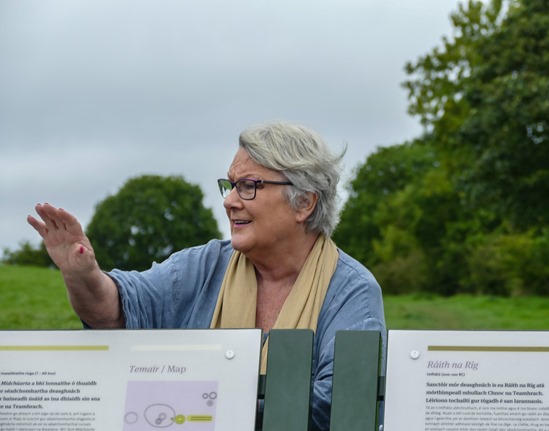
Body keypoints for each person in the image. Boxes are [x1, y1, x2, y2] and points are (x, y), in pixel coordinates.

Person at [27, 120, 386, 431]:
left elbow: (337, 407)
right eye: (229, 185)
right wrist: (83, 275)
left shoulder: (352, 292)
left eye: (249, 186)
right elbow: (120, 309)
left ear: (304, 202)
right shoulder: (203, 266)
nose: (230, 200)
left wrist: (198, 399)